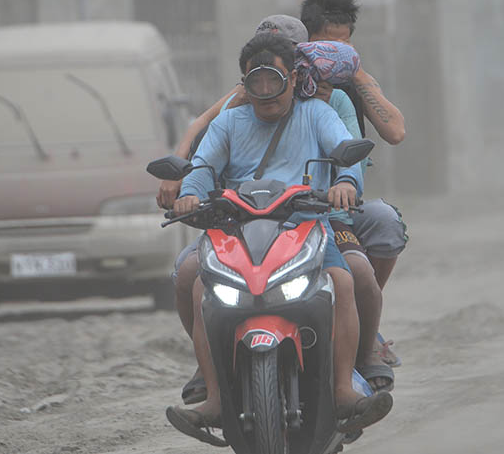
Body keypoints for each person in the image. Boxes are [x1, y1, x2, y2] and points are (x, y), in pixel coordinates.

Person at [164, 34, 392, 444]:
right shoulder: (229, 121)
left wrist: (343, 181)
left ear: (293, 78)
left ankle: (342, 389)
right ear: (244, 83)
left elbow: (346, 154)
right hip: (235, 230)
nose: (266, 93)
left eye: (274, 81)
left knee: (341, 281)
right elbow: (201, 166)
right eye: (257, 83)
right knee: (200, 286)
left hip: (305, 225)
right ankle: (215, 395)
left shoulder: (317, 114)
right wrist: (190, 193)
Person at [301, 0, 408, 368]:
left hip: (339, 205)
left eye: (343, 47)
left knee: (386, 224)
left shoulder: (348, 89)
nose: (333, 57)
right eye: (326, 46)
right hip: (286, 207)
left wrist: (356, 72)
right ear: (305, 39)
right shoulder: (280, 83)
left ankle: (363, 321)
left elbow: (395, 132)